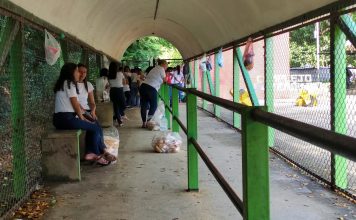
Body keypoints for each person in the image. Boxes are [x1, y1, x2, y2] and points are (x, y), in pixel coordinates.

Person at [52, 63, 114, 165]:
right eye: (77, 71)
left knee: (92, 126)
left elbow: (76, 105)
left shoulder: (63, 83)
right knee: (95, 127)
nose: (79, 74)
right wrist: (82, 118)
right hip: (67, 119)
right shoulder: (70, 83)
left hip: (59, 119)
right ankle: (94, 154)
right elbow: (75, 103)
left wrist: (85, 117)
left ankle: (96, 152)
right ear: (71, 72)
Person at [139, 60, 168, 128]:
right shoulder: (161, 69)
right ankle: (149, 121)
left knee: (144, 105)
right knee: (154, 105)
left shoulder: (154, 68)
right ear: (163, 64)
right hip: (151, 88)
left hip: (143, 87)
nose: (167, 67)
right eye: (166, 65)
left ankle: (144, 123)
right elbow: (165, 80)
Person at [108, 62, 127, 126]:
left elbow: (109, 84)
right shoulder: (120, 73)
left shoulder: (109, 74)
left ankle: (118, 119)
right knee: (123, 105)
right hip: (119, 90)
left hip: (112, 91)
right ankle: (119, 117)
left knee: (116, 106)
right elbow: (124, 82)